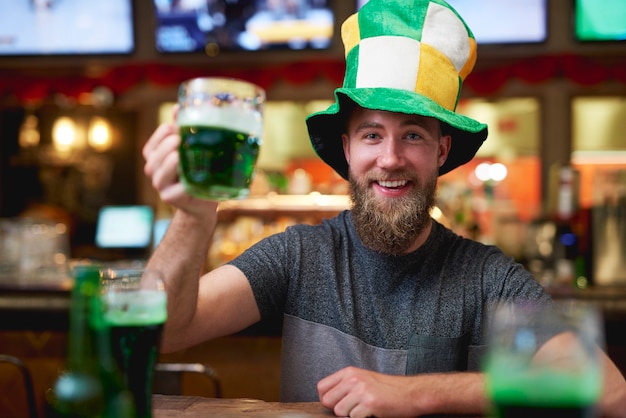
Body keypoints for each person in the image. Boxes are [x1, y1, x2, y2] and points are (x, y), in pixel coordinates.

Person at [143, 0, 626, 416]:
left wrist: (419, 394)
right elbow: (163, 333)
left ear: (440, 152)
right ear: (348, 149)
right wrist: (193, 215)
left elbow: (608, 390)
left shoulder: (486, 277)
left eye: (413, 134)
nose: (390, 158)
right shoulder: (298, 256)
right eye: (372, 133)